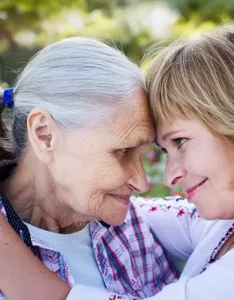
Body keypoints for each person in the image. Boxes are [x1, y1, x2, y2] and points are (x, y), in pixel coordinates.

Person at [1, 24, 234, 300]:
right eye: (122, 150)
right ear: (44, 135)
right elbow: (156, 210)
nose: (149, 182)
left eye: (180, 141)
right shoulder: (226, 227)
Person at [0, 37, 179, 299]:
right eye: (122, 151)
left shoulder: (132, 228)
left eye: (143, 153)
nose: (142, 184)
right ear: (44, 135)